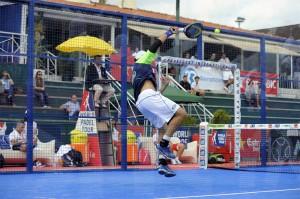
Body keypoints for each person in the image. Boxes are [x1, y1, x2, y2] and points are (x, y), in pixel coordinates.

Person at [132, 27, 187, 177]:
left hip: (142, 103)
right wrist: (169, 32)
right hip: (147, 98)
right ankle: (163, 145)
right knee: (181, 113)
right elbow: (155, 45)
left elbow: (153, 96)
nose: (153, 58)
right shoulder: (143, 61)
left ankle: (162, 164)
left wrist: (163, 86)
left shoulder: (139, 73)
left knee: (163, 127)